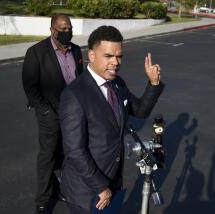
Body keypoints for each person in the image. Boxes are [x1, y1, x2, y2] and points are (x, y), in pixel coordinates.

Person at [59, 25, 164, 213]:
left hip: (113, 180)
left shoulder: (118, 83)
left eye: (119, 56)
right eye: (108, 56)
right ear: (92, 55)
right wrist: (100, 186)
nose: (116, 62)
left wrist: (153, 83)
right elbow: (74, 151)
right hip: (88, 190)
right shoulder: (74, 95)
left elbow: (139, 111)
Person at [22, 14, 84, 213]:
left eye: (70, 28)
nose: (68, 32)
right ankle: (42, 199)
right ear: (52, 30)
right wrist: (45, 110)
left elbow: (80, 78)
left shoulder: (75, 50)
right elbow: (30, 87)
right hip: (50, 112)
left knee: (66, 152)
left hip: (72, 112)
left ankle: (59, 188)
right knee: (48, 155)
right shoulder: (36, 52)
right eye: (63, 28)